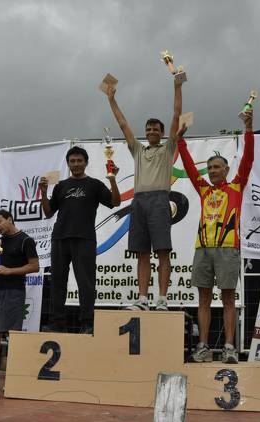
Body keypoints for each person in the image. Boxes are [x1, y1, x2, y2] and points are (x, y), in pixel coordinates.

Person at [177, 110, 254, 364]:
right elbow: (189, 168)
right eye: (210, 168)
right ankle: (203, 347)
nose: (212, 171)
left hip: (228, 248)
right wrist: (180, 141)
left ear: (226, 169)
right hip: (203, 248)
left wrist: (248, 129)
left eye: (217, 167)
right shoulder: (203, 189)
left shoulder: (236, 186)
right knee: (203, 298)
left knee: (228, 298)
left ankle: (229, 347)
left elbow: (248, 159)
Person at [104, 76, 183, 311]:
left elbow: (176, 115)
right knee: (141, 253)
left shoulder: (168, 148)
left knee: (163, 252)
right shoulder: (138, 150)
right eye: (148, 129)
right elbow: (123, 124)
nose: (151, 131)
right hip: (138, 202)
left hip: (159, 200)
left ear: (162, 133)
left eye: (155, 129)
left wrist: (177, 86)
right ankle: (142, 299)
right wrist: (111, 99)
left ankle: (162, 299)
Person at [38, 146, 121, 334]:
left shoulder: (95, 185)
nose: (76, 164)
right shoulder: (60, 186)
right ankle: (57, 324)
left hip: (85, 239)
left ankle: (87, 323)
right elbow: (48, 212)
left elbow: (116, 202)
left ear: (86, 163)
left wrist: (112, 180)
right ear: (68, 164)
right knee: (57, 282)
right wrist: (43, 193)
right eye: (72, 161)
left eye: (79, 161)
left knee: (86, 283)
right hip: (60, 238)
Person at [0, 210, 39, 390]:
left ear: (10, 219)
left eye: (0, 221)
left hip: (14, 291)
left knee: (13, 335)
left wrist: (10, 271)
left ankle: (13, 378)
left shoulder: (26, 240)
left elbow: (35, 266)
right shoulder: (1, 240)